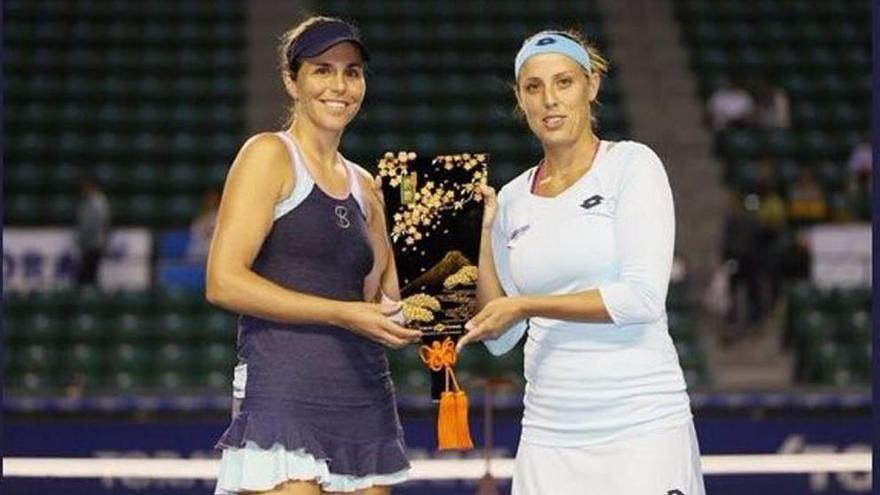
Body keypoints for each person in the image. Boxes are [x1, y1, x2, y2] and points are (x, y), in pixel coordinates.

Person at [456, 30, 705, 494]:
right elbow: (500, 335)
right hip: (549, 435)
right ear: (520, 99)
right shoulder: (510, 198)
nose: (550, 100)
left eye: (564, 82)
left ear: (591, 86)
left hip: (641, 427)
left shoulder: (633, 165)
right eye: (534, 87)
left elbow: (641, 299)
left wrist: (528, 305)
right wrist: (483, 237)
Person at [206, 16, 420, 495]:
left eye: (352, 72)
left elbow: (381, 303)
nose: (340, 86)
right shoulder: (268, 155)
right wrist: (341, 314)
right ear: (291, 80)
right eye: (322, 70)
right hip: (284, 394)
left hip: (365, 397)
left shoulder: (366, 183)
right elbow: (223, 281)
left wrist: (414, 237)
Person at [74, 174, 111, 287]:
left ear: (90, 187)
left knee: (88, 276)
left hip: (93, 244)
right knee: (88, 276)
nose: (82, 189)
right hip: (89, 244)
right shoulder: (88, 201)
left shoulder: (97, 202)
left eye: (85, 187)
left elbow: (94, 224)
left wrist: (82, 239)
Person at [187, 189, 221, 263]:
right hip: (198, 256)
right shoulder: (198, 220)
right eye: (209, 199)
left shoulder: (223, 218)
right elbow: (195, 237)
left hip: (217, 256)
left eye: (214, 199)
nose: (211, 202)